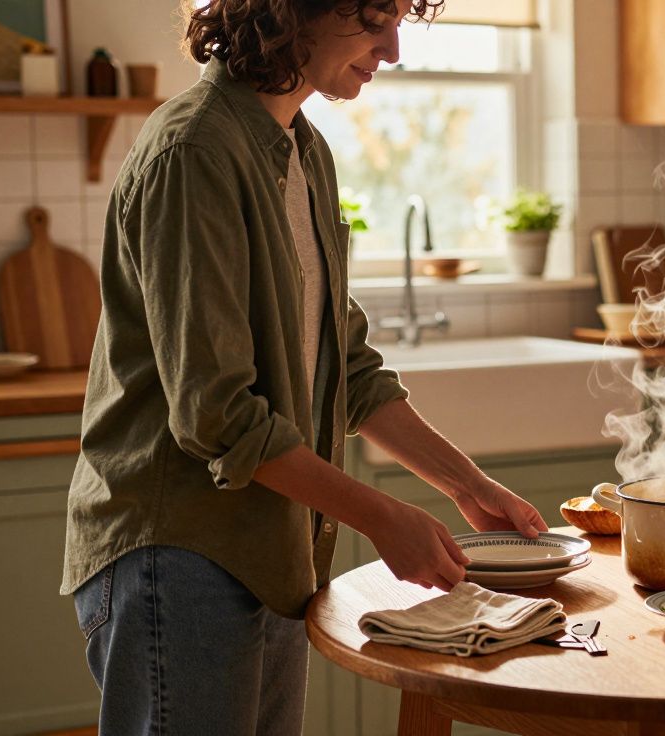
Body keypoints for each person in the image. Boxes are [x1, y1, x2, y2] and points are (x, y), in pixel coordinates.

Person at [62, 1, 548, 733]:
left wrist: (468, 487)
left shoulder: (302, 150)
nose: (392, 49)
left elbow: (348, 368)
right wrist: (383, 518)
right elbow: (217, 414)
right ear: (296, 11)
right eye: (375, 20)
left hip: (271, 549)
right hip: (177, 551)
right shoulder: (193, 152)